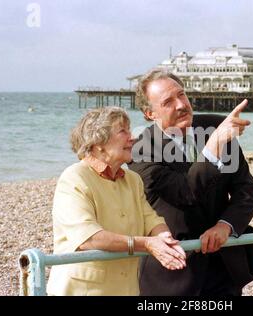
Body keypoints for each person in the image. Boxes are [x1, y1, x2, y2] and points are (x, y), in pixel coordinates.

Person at [128, 70, 253, 296]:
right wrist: (214, 145)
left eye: (182, 94)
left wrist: (225, 225)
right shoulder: (140, 149)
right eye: (168, 101)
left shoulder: (216, 127)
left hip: (224, 268)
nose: (181, 105)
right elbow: (185, 192)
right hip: (173, 271)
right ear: (150, 113)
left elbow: (246, 188)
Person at [46, 107, 186, 296]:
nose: (132, 137)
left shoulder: (132, 179)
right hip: (82, 291)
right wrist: (146, 244)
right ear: (98, 143)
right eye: (123, 131)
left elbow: (151, 220)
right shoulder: (75, 177)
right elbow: (88, 238)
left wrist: (165, 240)